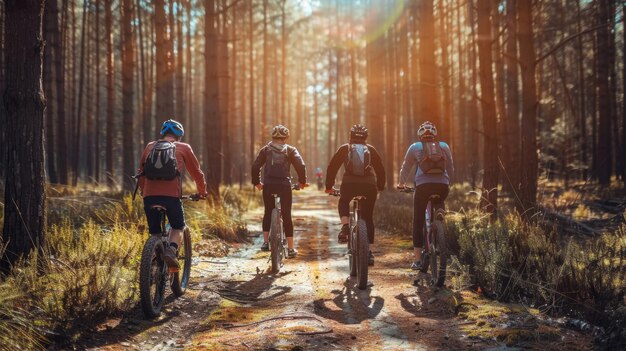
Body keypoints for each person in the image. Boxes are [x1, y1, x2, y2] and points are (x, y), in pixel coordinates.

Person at [137, 119, 207, 271]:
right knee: (177, 226)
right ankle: (171, 251)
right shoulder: (183, 147)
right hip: (171, 197)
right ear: (179, 136)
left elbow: (140, 173)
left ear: (163, 133)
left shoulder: (150, 146)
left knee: (155, 233)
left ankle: (154, 264)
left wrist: (145, 191)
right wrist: (202, 192)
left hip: (150, 198)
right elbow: (197, 173)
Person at [325, 124, 386, 266]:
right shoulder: (370, 150)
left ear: (350, 136)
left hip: (349, 184)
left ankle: (346, 226)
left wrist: (329, 186)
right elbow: (380, 169)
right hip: (369, 186)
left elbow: (332, 167)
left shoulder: (345, 148)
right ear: (365, 137)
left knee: (344, 200)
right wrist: (380, 187)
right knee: (368, 218)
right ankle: (369, 253)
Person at [397, 121, 454, 270]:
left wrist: (401, 184)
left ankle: (417, 260)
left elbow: (406, 167)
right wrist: (449, 182)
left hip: (423, 186)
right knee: (440, 199)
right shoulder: (444, 146)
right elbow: (450, 166)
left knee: (418, 221)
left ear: (420, 135)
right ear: (435, 134)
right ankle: (440, 214)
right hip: (442, 185)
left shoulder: (415, 147)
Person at [251, 125, 307, 258]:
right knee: (287, 214)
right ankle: (291, 248)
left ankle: (265, 242)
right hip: (284, 185)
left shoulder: (265, 149)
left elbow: (255, 166)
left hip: (269, 184)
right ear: (286, 138)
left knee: (268, 212)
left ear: (273, 137)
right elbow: (301, 165)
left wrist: (257, 182)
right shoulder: (290, 150)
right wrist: (302, 182)